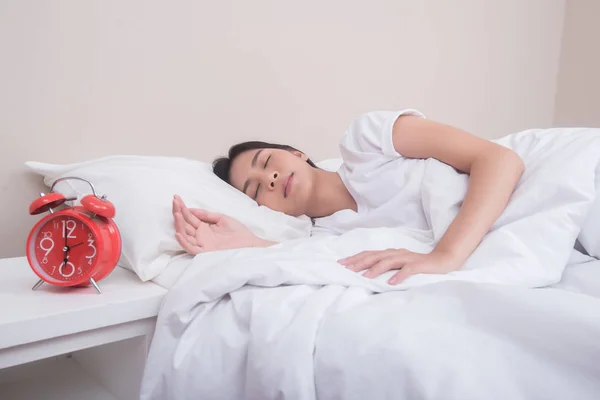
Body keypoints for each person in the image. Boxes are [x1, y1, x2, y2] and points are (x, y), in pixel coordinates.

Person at [172, 109, 525, 285]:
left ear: (295, 152)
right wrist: (247, 243)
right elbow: (315, 260)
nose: (270, 178)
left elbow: (499, 159)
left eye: (265, 162)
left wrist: (446, 254)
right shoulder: (324, 238)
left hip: (525, 193)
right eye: (255, 189)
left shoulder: (368, 141)